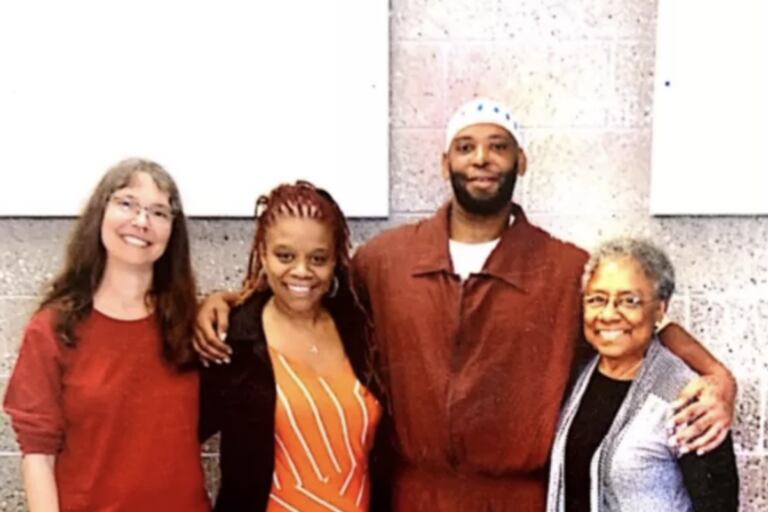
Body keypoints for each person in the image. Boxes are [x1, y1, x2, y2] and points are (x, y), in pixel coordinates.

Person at [194, 98, 736, 511]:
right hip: (412, 498)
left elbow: (633, 322)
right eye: (466, 146)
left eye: (498, 146)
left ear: (521, 160)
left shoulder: (564, 267)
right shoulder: (387, 261)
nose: (482, 159)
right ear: (444, 160)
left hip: (518, 500)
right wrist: (226, 301)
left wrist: (717, 376)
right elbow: (306, 293)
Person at [3, 159, 210, 511]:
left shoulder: (191, 324)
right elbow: (38, 454)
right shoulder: (53, 328)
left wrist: (225, 299)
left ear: (173, 231)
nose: (141, 221)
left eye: (159, 212)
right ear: (100, 212)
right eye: (127, 203)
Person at [198, 181, 391, 511]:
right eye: (284, 256)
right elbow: (173, 440)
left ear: (335, 263)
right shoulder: (232, 341)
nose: (302, 272)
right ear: (262, 254)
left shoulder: (361, 330)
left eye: (318, 258)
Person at [546, 238, 739, 511]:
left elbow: (719, 505)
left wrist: (722, 378)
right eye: (597, 299)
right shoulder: (576, 374)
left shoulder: (688, 399)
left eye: (630, 301)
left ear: (660, 309)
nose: (609, 314)